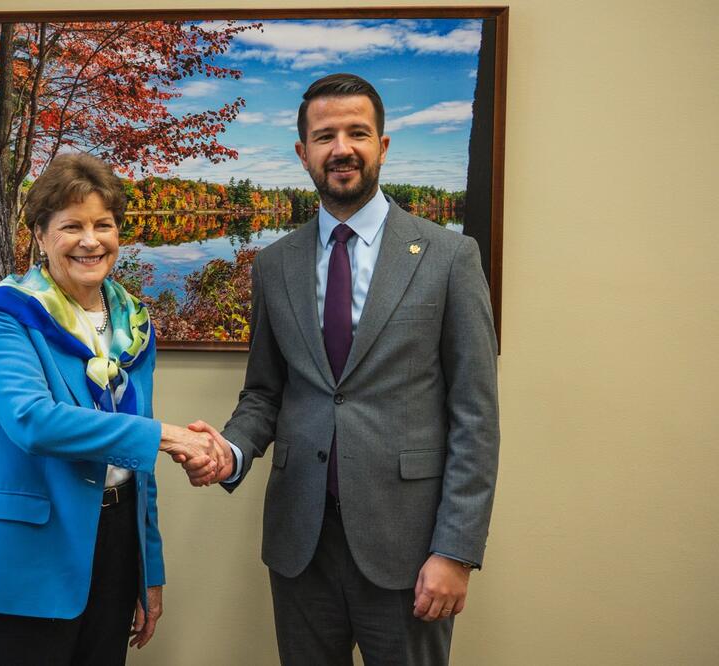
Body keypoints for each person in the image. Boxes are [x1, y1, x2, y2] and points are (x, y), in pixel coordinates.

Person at [188, 73, 499, 664]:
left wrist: (456, 551)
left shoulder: (451, 257)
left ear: (383, 145)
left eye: (357, 132)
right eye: (325, 135)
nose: (342, 148)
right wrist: (230, 451)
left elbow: (476, 418)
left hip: (408, 548)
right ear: (303, 152)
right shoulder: (275, 264)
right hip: (301, 544)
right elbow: (264, 393)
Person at [0, 153, 227, 666]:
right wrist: (167, 436)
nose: (90, 240)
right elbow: (32, 421)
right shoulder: (3, 312)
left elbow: (133, 468)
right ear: (39, 234)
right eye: (71, 226)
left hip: (118, 546)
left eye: (104, 225)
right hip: (31, 548)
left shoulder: (134, 321)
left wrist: (150, 569)